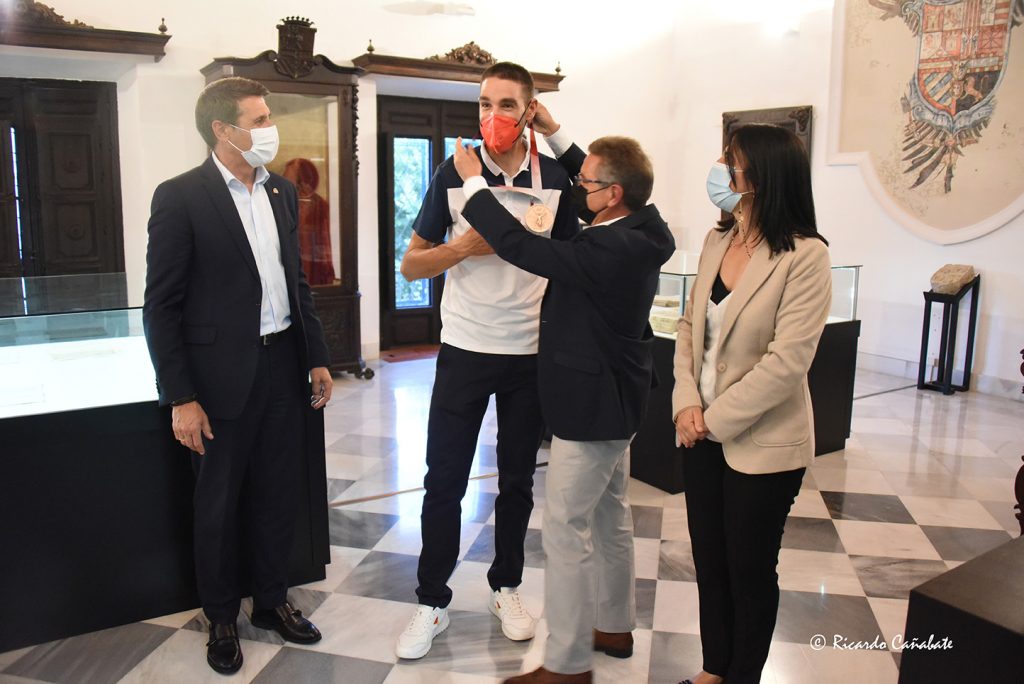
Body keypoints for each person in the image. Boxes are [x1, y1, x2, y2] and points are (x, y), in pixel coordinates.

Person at [452, 104, 676, 683]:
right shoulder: (644, 226)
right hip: (618, 397)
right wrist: (555, 134)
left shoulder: (608, 248)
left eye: (588, 183)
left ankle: (568, 662)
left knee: (565, 527)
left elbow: (521, 247)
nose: (578, 186)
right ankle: (614, 625)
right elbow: (595, 177)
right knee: (610, 515)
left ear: (613, 194)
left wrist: (474, 185)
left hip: (591, 405)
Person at [142, 77, 333, 675]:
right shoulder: (180, 196)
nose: (270, 128)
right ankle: (222, 616)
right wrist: (181, 396)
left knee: (278, 494)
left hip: (282, 364)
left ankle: (272, 601)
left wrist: (316, 355)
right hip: (217, 378)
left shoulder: (279, 190)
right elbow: (161, 306)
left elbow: (294, 281)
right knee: (218, 504)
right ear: (223, 130)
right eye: (260, 120)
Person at [394, 62, 578, 660]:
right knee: (443, 480)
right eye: (483, 104)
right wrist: (460, 249)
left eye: (505, 104)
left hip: (529, 353)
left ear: (529, 111)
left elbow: (593, 225)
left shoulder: (555, 176)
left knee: (518, 482)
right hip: (465, 349)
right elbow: (411, 265)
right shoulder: (455, 171)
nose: (491, 116)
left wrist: (558, 134)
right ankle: (432, 600)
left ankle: (507, 587)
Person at [671, 124, 831, 684]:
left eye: (730, 160)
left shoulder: (805, 256)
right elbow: (689, 326)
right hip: (698, 432)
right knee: (710, 563)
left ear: (760, 176)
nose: (721, 169)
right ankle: (713, 670)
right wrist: (685, 403)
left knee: (749, 569)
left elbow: (788, 362)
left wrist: (712, 420)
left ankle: (742, 676)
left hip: (761, 442)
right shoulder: (718, 240)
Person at [282, 158, 336, 286]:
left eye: (289, 176)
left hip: (312, 264)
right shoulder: (283, 203)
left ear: (303, 180)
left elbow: (324, 241)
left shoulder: (319, 205)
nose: (284, 179)